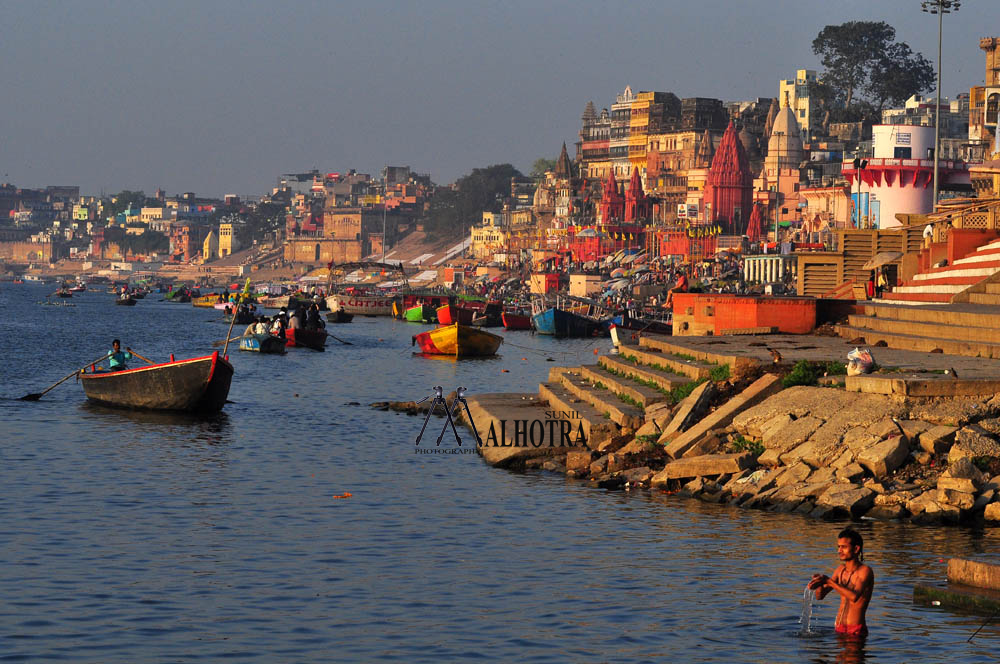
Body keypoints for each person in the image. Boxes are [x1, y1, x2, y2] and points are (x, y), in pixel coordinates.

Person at [809, 528, 874, 639]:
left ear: (856, 549)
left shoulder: (865, 571)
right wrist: (818, 583)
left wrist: (829, 581)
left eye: (844, 547)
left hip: (856, 631)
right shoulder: (840, 570)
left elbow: (854, 597)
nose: (839, 550)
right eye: (838, 547)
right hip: (839, 628)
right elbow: (819, 596)